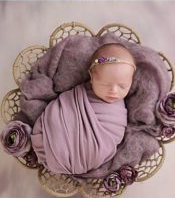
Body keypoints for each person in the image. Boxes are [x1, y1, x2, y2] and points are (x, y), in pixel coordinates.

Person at [31, 42, 135, 175]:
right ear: (92, 77)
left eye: (122, 86)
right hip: (48, 141)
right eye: (105, 84)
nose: (114, 91)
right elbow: (61, 109)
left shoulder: (118, 113)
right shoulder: (77, 96)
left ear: (130, 82)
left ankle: (62, 156)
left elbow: (113, 138)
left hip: (83, 158)